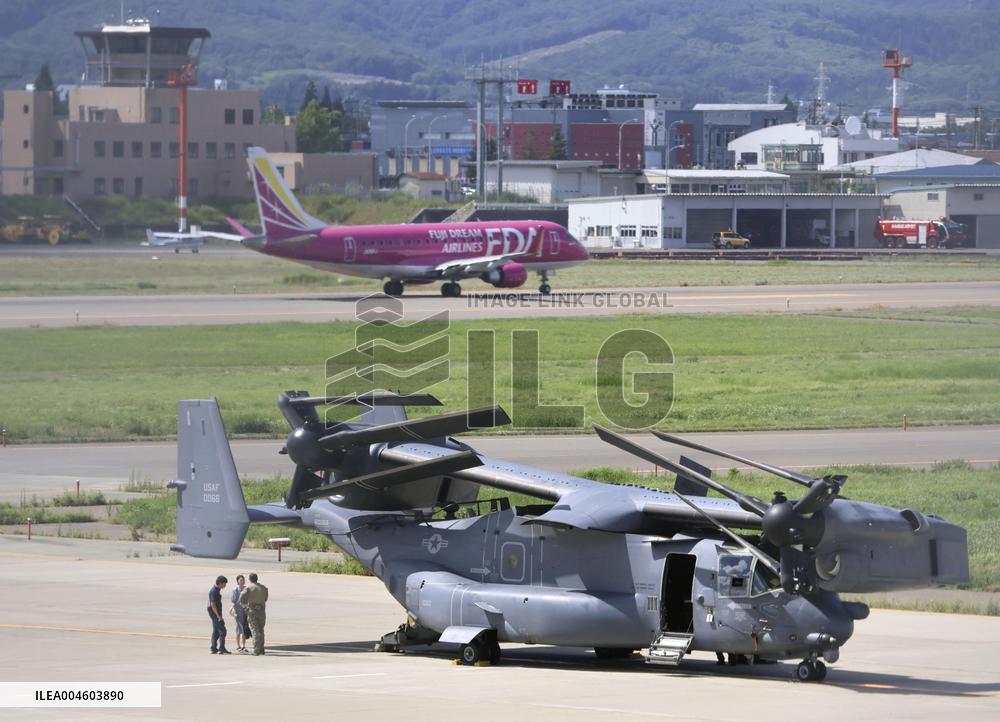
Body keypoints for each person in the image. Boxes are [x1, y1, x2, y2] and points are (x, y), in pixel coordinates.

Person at [239, 572, 269, 655]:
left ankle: (256, 650)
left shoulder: (249, 588)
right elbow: (266, 598)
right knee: (261, 630)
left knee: (254, 630)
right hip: (262, 611)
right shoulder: (263, 588)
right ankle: (262, 649)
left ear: (250, 579)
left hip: (252, 611)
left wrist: (245, 607)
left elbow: (241, 598)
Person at [208, 575, 231, 655]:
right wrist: (218, 616)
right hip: (214, 613)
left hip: (215, 613)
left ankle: (213, 648)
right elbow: (213, 604)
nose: (225, 585)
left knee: (216, 631)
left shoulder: (216, 590)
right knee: (223, 631)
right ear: (220, 583)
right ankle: (221, 648)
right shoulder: (214, 591)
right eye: (224, 584)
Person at [231, 574, 251, 653]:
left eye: (243, 580)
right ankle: (238, 646)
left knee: (244, 629)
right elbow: (233, 600)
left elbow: (249, 599)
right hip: (238, 611)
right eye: (240, 580)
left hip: (245, 611)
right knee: (238, 629)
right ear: (238, 581)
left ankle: (243, 646)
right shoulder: (235, 589)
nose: (242, 581)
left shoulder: (246, 589)